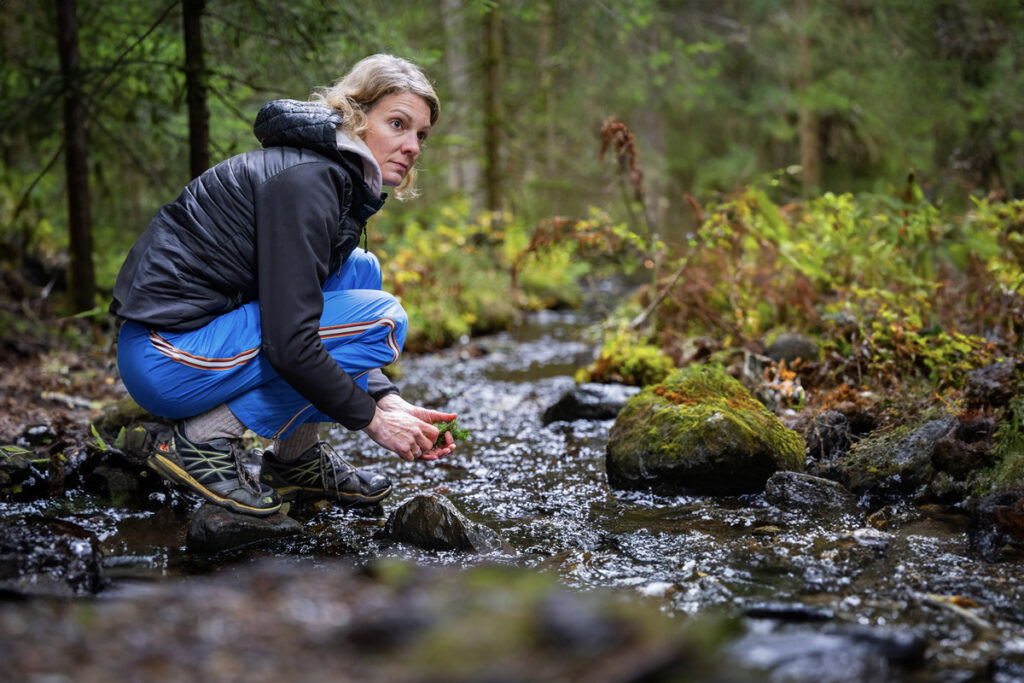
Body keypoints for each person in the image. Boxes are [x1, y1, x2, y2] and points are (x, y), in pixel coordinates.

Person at [110, 54, 457, 517]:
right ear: (355, 116)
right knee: (383, 317)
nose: (412, 145)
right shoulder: (308, 181)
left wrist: (387, 399)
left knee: (360, 271)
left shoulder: (329, 177)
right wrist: (374, 422)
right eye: (398, 123)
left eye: (420, 135)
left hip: (200, 342)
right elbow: (291, 342)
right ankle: (203, 440)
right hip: (166, 355)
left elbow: (308, 325)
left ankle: (296, 460)